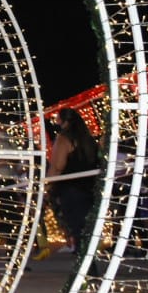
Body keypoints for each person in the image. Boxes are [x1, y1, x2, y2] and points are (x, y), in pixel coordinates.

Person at [48, 107, 99, 255]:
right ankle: (88, 260)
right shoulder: (88, 139)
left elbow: (58, 165)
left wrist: (48, 185)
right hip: (89, 187)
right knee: (86, 227)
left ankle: (86, 266)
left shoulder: (64, 138)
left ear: (63, 121)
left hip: (70, 188)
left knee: (77, 227)